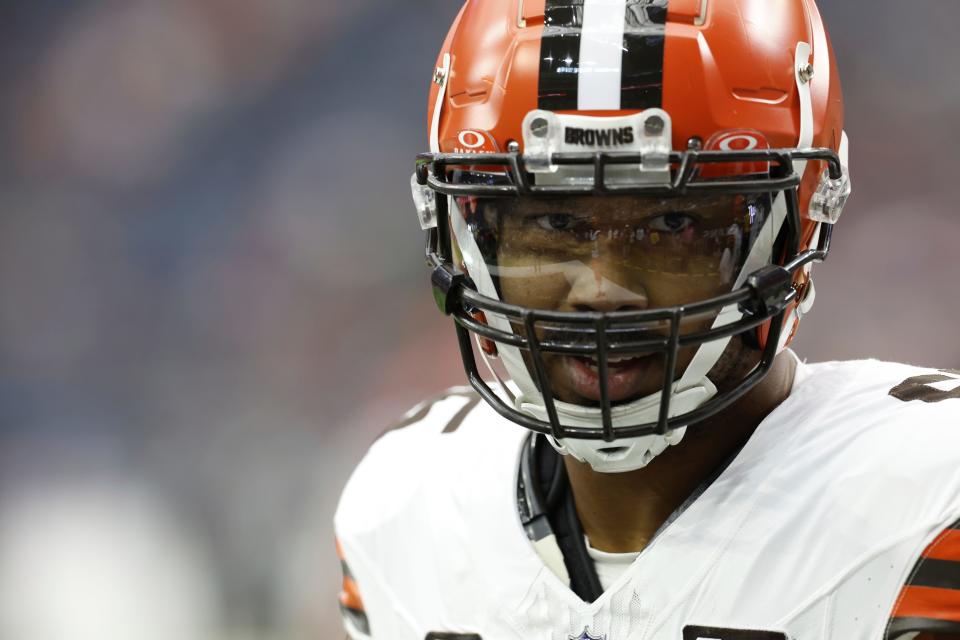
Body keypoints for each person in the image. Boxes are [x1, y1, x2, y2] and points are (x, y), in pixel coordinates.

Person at [334, 1, 960, 638]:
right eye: (554, 223)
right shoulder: (403, 508)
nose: (602, 290)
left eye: (672, 226)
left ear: (798, 225)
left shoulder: (928, 502)